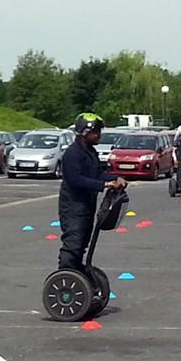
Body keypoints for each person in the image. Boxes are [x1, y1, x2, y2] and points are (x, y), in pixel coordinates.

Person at [57, 113, 127, 273]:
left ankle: (77, 274)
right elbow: (76, 180)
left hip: (87, 207)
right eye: (96, 132)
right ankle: (65, 277)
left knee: (82, 244)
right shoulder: (72, 154)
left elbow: (97, 173)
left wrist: (116, 178)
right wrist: (104, 185)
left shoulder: (90, 152)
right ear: (84, 133)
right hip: (73, 208)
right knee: (73, 244)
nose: (99, 135)